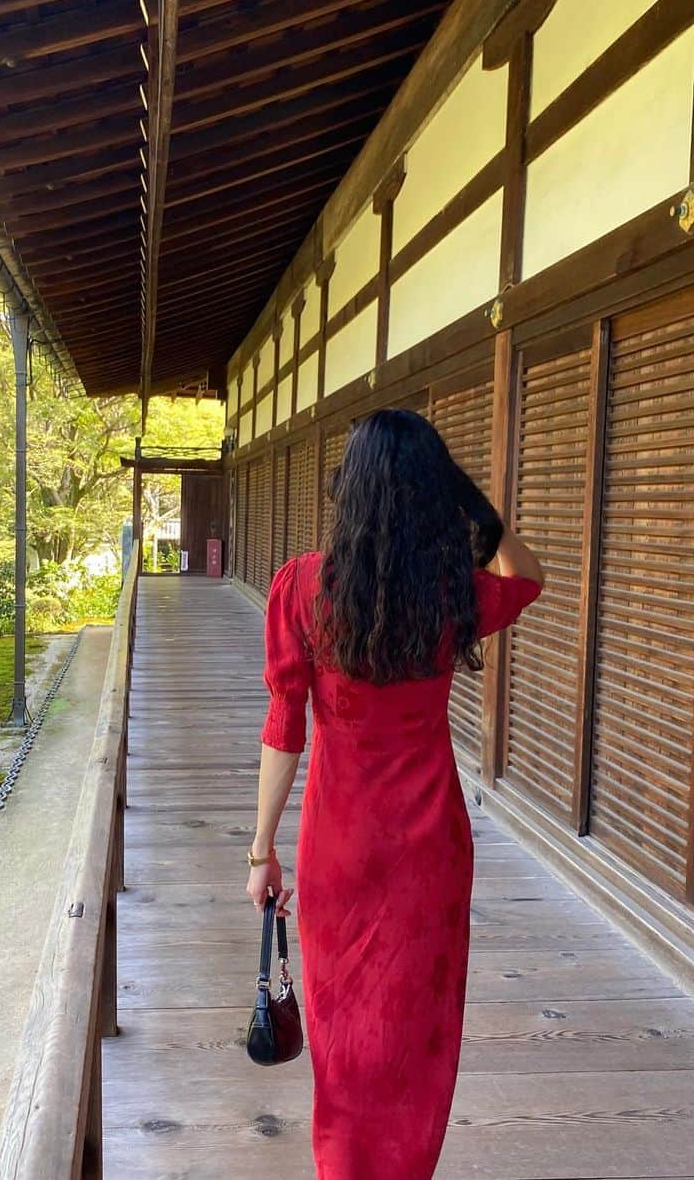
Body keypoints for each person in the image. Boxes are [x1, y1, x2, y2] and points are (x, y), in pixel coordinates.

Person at [244, 407, 544, 1179]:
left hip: (336, 845)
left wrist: (260, 852)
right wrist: (474, 503)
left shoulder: (304, 587)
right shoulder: (451, 595)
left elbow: (284, 726)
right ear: (428, 494)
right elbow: (528, 573)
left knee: (345, 1036)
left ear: (350, 489)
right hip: (431, 850)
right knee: (418, 1034)